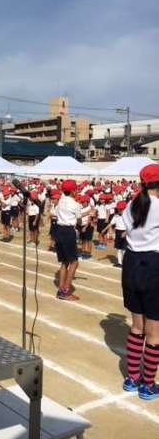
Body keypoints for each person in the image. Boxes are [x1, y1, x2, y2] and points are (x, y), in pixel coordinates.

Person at [122, 164, 159, 400]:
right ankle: (148, 384)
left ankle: (132, 378)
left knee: (137, 327)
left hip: (131, 263)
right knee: (154, 332)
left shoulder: (133, 204)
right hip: (153, 265)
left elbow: (125, 230)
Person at [54, 179, 82, 301]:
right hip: (68, 231)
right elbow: (79, 220)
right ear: (73, 191)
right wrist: (88, 214)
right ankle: (65, 291)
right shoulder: (75, 204)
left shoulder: (60, 201)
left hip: (59, 230)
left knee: (64, 262)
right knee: (74, 262)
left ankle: (61, 290)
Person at [102, 200, 127, 267]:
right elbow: (111, 223)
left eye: (121, 209)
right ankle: (119, 263)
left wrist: (125, 232)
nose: (119, 210)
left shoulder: (128, 216)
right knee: (118, 248)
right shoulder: (116, 216)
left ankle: (125, 263)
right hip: (118, 232)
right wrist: (105, 229)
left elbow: (131, 225)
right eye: (118, 209)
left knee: (124, 249)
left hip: (125, 232)